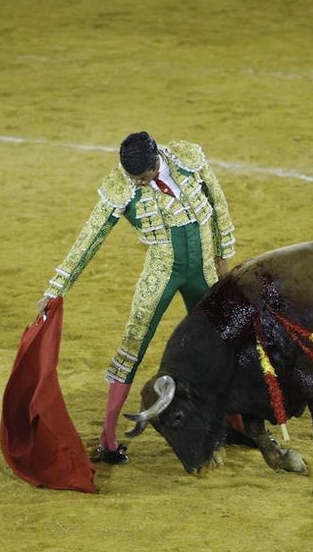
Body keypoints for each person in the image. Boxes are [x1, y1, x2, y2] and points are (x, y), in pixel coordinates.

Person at [38, 132, 237, 465]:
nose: (139, 183)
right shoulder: (121, 187)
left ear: (156, 159)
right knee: (132, 345)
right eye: (134, 179)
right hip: (161, 272)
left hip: (204, 267)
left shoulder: (187, 159)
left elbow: (217, 203)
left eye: (143, 178)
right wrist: (56, 288)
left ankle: (238, 425)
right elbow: (89, 238)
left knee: (223, 342)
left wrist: (223, 256)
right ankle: (109, 440)